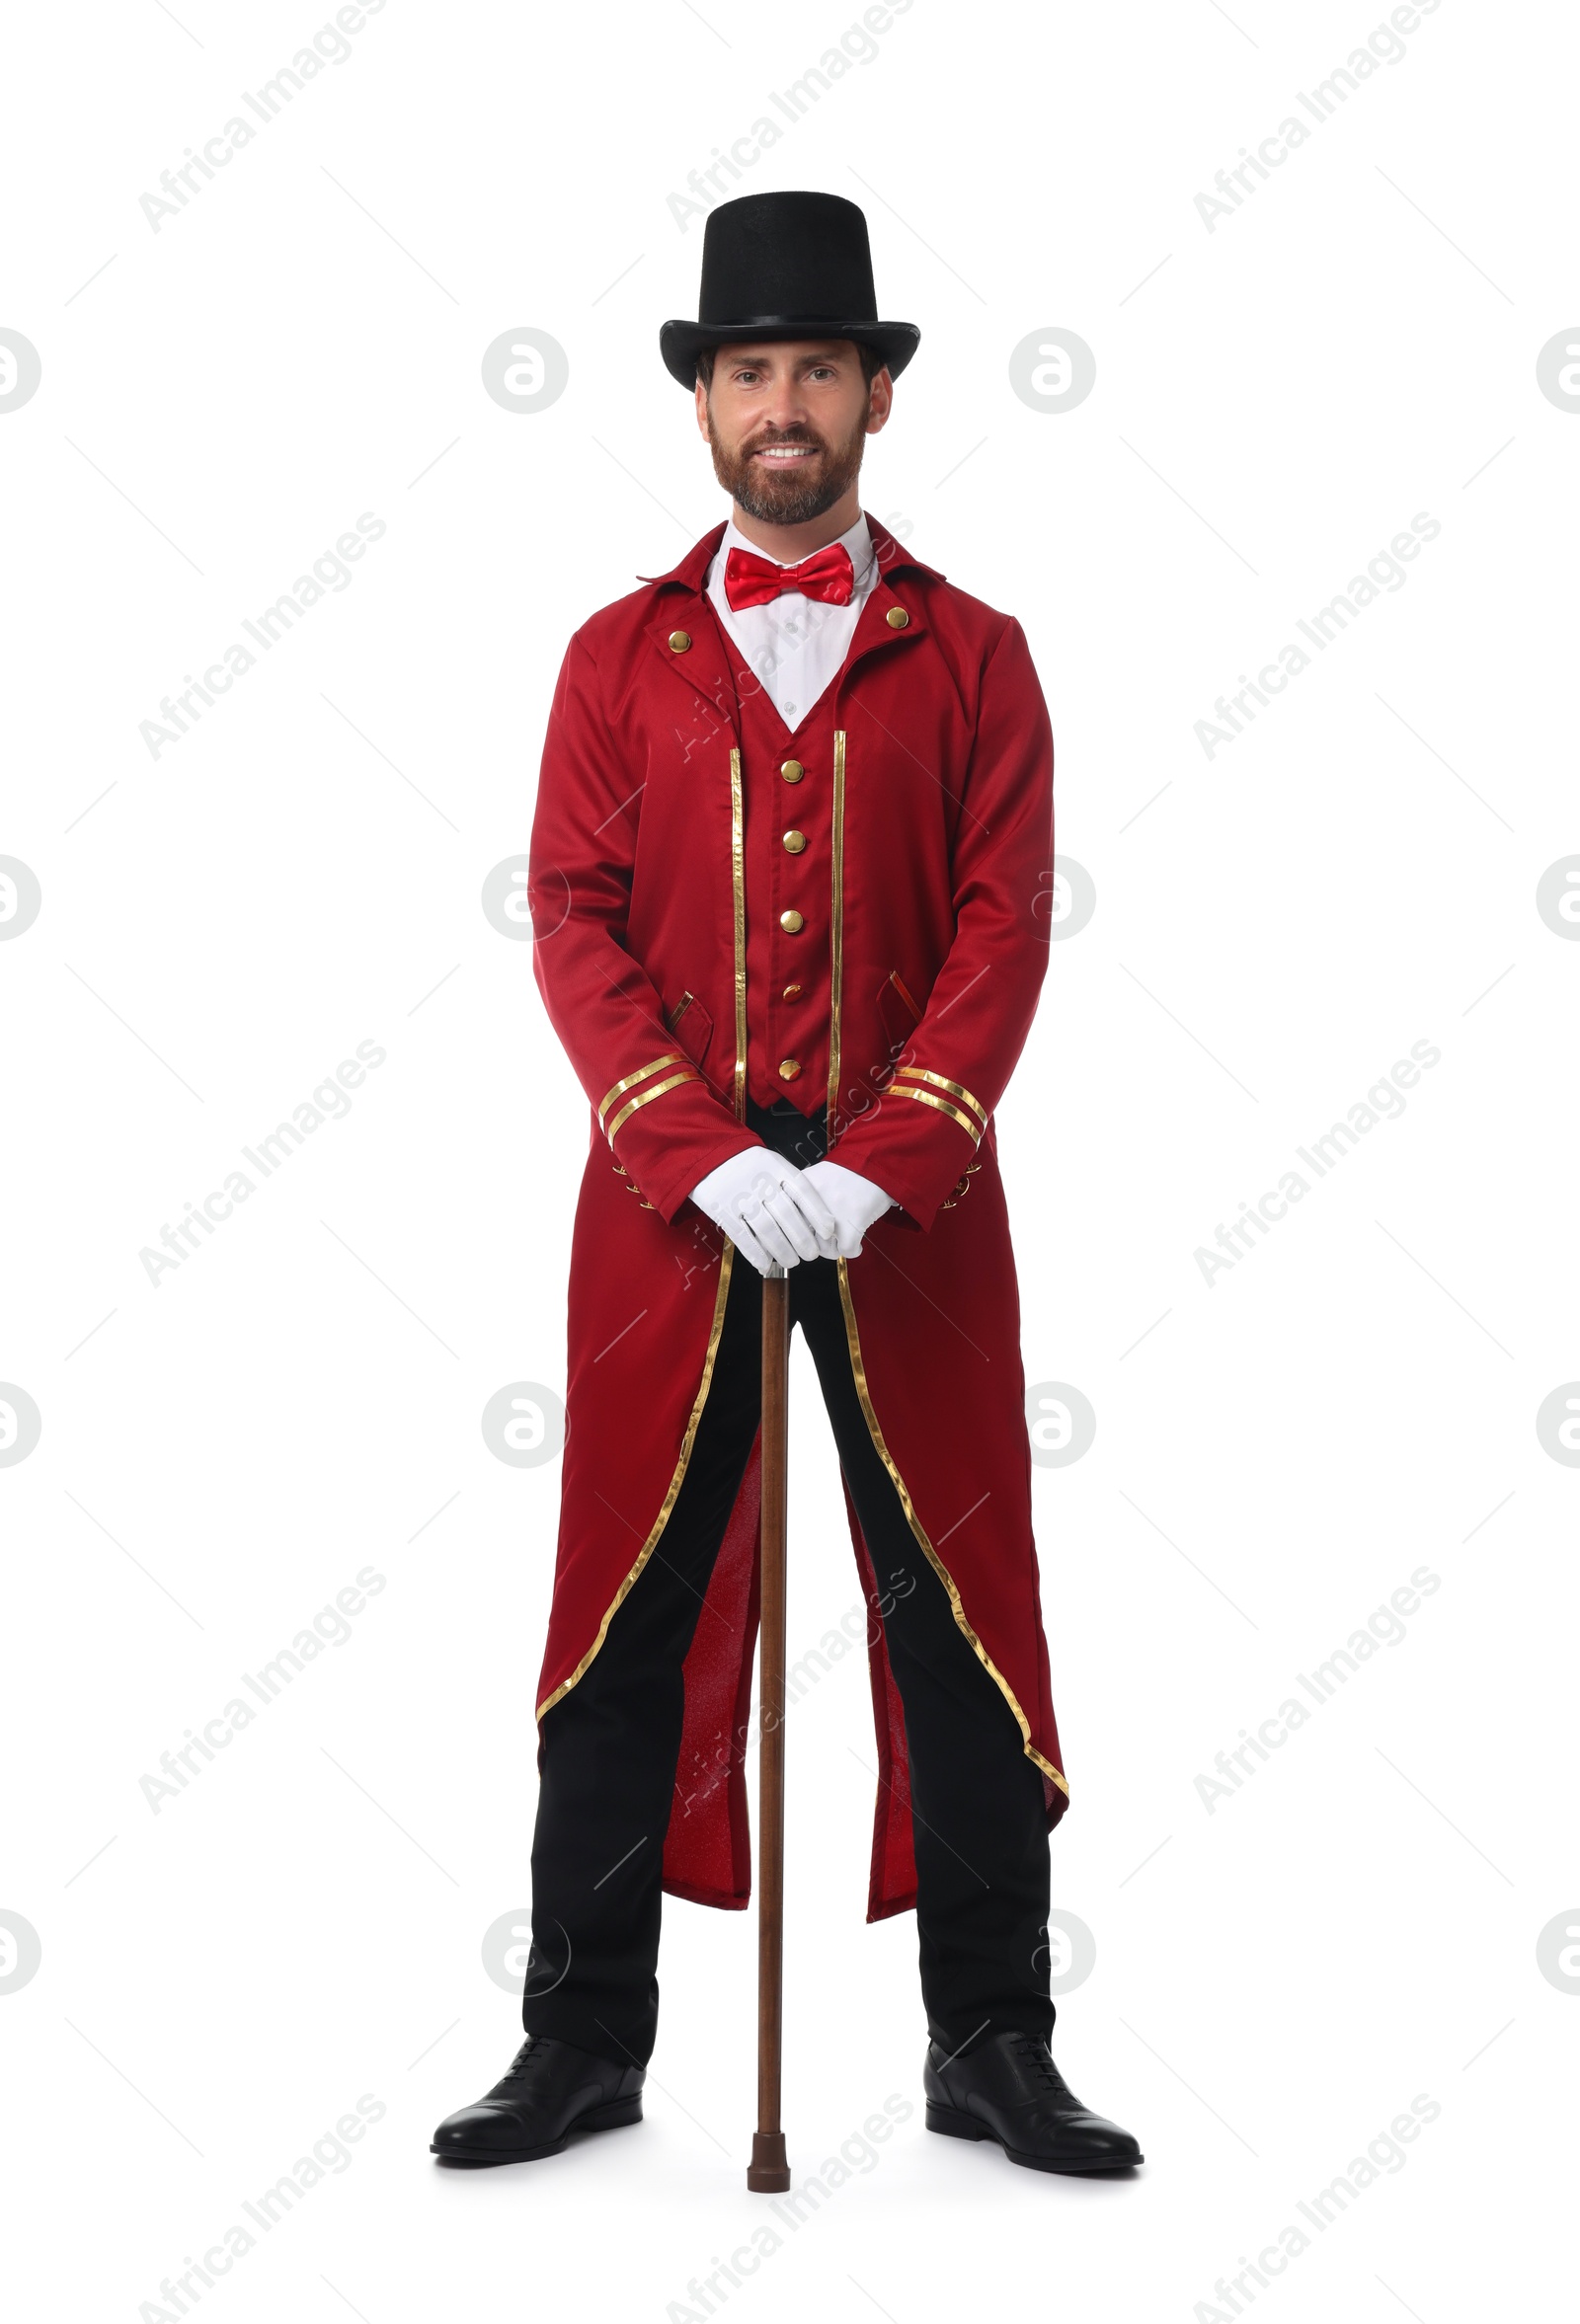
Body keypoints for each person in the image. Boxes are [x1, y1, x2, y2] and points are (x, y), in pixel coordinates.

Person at [432, 190, 1142, 2179]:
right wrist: (693, 1141)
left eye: (814, 368)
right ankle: (576, 2037)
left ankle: (991, 2041)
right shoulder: (610, 656)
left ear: (876, 395)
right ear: (700, 400)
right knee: (624, 1614)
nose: (780, 405)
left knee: (954, 1608)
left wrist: (889, 1155)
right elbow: (571, 917)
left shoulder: (979, 655)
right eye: (746, 369)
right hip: (674, 1211)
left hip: (910, 1225)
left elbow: (1003, 928)